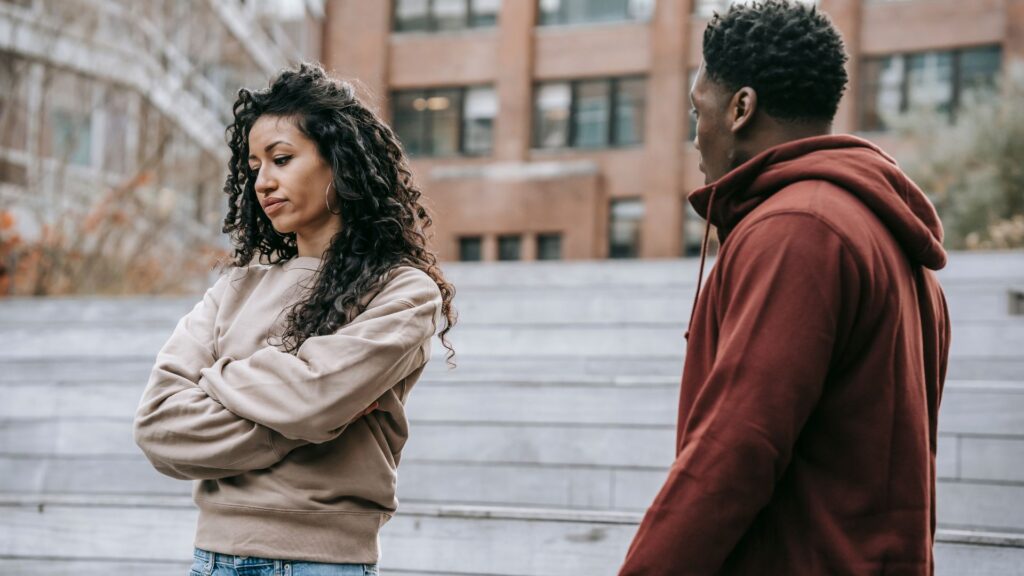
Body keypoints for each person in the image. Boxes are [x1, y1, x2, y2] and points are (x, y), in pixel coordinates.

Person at [619, 1, 950, 574]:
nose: (697, 136)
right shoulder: (884, 235)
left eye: (699, 110)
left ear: (741, 107)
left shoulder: (797, 231)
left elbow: (736, 448)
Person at [133, 62, 456, 576]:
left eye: (281, 159)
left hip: (321, 563)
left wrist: (217, 383)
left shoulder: (402, 291)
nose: (263, 181)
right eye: (254, 166)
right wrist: (310, 416)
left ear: (340, 164)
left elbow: (314, 400)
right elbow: (159, 427)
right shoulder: (235, 288)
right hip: (211, 561)